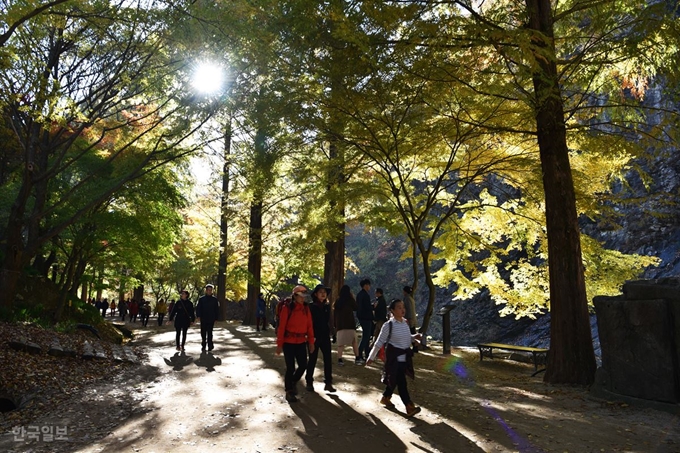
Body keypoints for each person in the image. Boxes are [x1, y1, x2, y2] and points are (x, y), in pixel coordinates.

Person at [366, 298, 422, 417]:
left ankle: (386, 397)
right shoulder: (388, 325)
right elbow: (379, 341)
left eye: (403, 307)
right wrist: (371, 356)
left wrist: (414, 337)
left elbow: (407, 337)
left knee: (395, 379)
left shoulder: (405, 323)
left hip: (405, 357)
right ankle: (409, 406)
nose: (402, 310)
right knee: (401, 381)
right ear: (392, 310)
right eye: (399, 307)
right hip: (394, 358)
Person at [276, 285, 315, 403]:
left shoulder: (306, 308)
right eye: (300, 296)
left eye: (304, 296)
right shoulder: (287, 308)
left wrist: (311, 342)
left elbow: (309, 326)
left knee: (303, 365)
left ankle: (292, 382)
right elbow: (281, 327)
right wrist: (279, 344)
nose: (303, 298)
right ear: (295, 296)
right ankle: (289, 391)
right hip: (288, 342)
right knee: (290, 367)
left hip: (301, 342)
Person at [305, 284, 336, 393]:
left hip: (325, 336)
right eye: (320, 292)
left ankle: (328, 383)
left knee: (328, 359)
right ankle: (309, 381)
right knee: (312, 359)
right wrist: (309, 337)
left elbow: (329, 321)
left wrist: (333, 332)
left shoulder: (327, 306)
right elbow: (308, 323)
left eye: (324, 292)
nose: (323, 294)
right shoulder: (311, 307)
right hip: (313, 336)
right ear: (316, 294)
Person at [333, 284, 362, 366]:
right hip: (350, 324)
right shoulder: (350, 300)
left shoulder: (337, 301)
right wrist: (352, 297)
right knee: (354, 342)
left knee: (340, 344)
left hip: (340, 325)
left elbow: (335, 314)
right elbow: (356, 307)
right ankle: (357, 358)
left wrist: (335, 325)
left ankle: (340, 359)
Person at [196, 284, 220, 352]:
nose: (209, 291)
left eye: (210, 290)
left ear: (212, 291)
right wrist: (198, 316)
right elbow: (198, 308)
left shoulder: (214, 300)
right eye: (208, 290)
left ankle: (210, 345)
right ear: (206, 291)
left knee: (210, 332)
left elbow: (216, 309)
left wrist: (216, 318)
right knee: (203, 332)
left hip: (211, 318)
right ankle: (203, 344)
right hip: (203, 318)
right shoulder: (201, 299)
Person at [356, 278, 373, 363]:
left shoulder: (359, 294)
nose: (369, 286)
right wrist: (373, 307)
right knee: (366, 336)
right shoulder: (365, 295)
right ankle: (359, 354)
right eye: (368, 285)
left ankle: (367, 353)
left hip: (361, 317)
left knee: (367, 335)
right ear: (365, 285)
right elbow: (367, 307)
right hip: (366, 317)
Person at [402, 286, 418, 352]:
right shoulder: (410, 298)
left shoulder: (407, 299)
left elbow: (409, 309)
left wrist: (408, 319)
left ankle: (414, 347)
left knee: (410, 333)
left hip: (409, 319)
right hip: (411, 318)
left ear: (405, 291)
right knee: (412, 332)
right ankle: (415, 347)